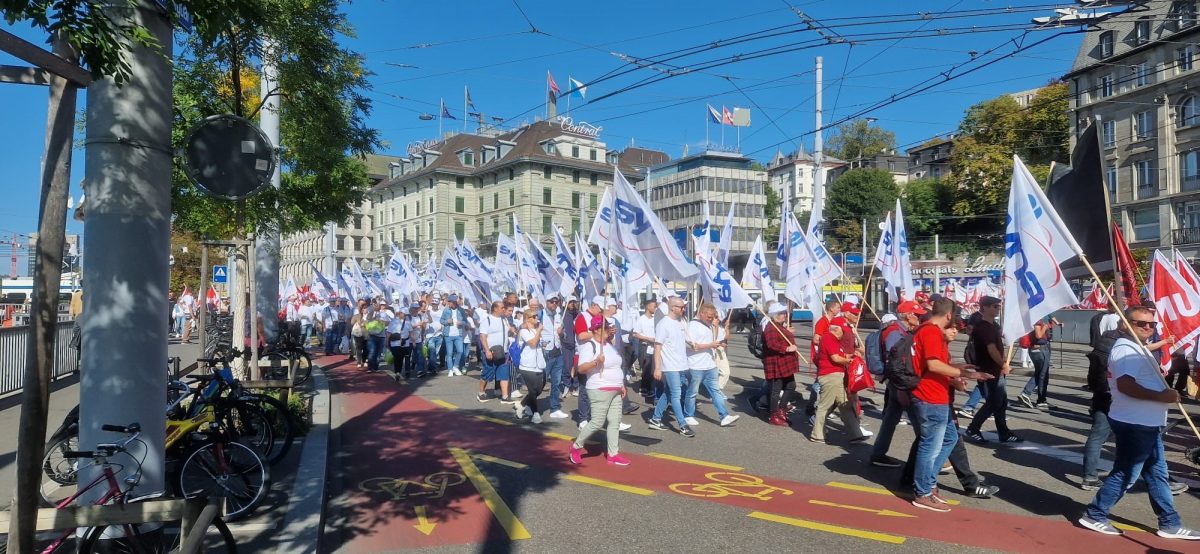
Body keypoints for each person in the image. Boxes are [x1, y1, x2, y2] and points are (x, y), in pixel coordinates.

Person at [1078, 307, 1200, 540]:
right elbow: (1125, 385)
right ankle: (1095, 513)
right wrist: (1161, 397)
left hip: (1144, 422)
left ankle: (1170, 522)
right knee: (1126, 473)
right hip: (1136, 423)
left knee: (1157, 473)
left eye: (1151, 324)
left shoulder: (1134, 347)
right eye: (1140, 323)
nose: (1147, 328)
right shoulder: (1125, 349)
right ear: (1124, 323)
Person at [907, 297, 993, 512]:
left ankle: (928, 483)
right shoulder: (931, 332)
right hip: (930, 397)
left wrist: (959, 368)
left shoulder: (926, 330)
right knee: (930, 446)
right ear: (948, 315)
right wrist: (966, 374)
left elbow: (936, 363)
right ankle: (923, 492)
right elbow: (933, 364)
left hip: (936, 397)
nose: (954, 323)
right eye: (954, 317)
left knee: (949, 438)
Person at [568, 320, 632, 466]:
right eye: (606, 327)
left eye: (609, 327)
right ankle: (575, 447)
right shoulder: (589, 345)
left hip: (615, 389)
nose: (610, 329)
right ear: (597, 329)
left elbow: (616, 366)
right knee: (597, 422)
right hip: (599, 388)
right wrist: (596, 362)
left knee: (614, 422)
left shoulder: (609, 345)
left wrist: (621, 385)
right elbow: (581, 369)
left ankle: (613, 453)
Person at [870, 301, 925, 467]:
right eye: (918, 314)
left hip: (896, 382)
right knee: (918, 419)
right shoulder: (895, 332)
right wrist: (900, 385)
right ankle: (928, 455)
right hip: (900, 383)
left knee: (891, 419)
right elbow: (894, 360)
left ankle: (878, 454)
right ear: (908, 315)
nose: (920, 317)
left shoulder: (899, 330)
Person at [965, 296, 1022, 443]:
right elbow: (991, 349)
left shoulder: (993, 326)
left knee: (1001, 402)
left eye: (998, 306)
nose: (998, 309)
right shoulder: (984, 327)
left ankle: (1004, 433)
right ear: (984, 307)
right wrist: (1003, 364)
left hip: (995, 370)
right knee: (993, 402)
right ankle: (973, 428)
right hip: (988, 370)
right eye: (995, 306)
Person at [683, 304, 740, 427]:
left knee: (716, 391)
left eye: (713, 317)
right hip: (695, 365)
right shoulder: (692, 326)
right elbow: (691, 346)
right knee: (692, 392)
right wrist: (710, 345)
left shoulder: (709, 326)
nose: (711, 319)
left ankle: (724, 416)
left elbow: (718, 339)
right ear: (701, 313)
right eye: (709, 316)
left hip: (710, 365)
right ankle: (688, 415)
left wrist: (720, 343)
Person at [810, 320, 866, 444]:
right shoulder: (828, 338)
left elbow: (841, 355)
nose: (844, 334)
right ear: (836, 329)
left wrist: (853, 355)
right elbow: (835, 358)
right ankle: (817, 434)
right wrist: (850, 361)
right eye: (843, 331)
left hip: (837, 376)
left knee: (845, 404)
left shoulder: (834, 341)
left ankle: (855, 434)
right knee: (825, 405)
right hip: (830, 375)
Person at [648, 296, 694, 437]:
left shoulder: (680, 322)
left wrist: (692, 344)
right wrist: (657, 368)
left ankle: (656, 419)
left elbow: (682, 341)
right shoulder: (664, 324)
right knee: (676, 394)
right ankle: (682, 425)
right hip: (670, 366)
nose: (683, 309)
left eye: (684, 307)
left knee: (668, 393)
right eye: (681, 307)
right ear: (672, 307)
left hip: (681, 364)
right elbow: (657, 347)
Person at [761, 303, 801, 427]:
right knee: (775, 390)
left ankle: (782, 409)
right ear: (775, 315)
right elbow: (771, 344)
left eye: (784, 313)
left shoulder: (779, 326)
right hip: (776, 363)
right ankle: (773, 415)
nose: (785, 315)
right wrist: (787, 349)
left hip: (785, 363)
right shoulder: (771, 327)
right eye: (782, 313)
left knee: (791, 385)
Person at [573, 296, 606, 428]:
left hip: (598, 356)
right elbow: (581, 335)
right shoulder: (582, 317)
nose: (601, 312)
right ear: (594, 305)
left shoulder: (600, 317)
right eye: (600, 309)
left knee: (597, 388)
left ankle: (596, 416)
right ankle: (583, 419)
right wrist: (597, 333)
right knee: (585, 389)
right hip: (584, 356)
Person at [806, 300, 841, 422]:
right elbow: (816, 339)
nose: (839, 309)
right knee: (820, 382)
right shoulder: (822, 321)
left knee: (821, 381)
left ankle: (816, 407)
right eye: (837, 307)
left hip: (828, 354)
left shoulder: (832, 321)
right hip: (822, 355)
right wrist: (829, 340)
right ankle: (812, 407)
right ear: (831, 309)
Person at [477, 301, 513, 403]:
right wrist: (487, 350)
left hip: (504, 352)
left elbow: (508, 331)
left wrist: (512, 330)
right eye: (502, 308)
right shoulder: (487, 320)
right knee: (487, 374)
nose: (504, 309)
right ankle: (481, 393)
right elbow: (482, 336)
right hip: (491, 352)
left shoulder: (504, 320)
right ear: (495, 309)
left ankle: (505, 396)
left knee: (504, 374)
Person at [1018, 317, 1057, 409]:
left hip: (1041, 349)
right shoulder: (1036, 319)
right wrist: (1045, 327)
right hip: (1040, 349)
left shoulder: (1037, 318)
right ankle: (1026, 393)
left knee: (1042, 374)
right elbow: (1038, 335)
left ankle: (1041, 399)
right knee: (1041, 374)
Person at [632, 298, 658, 401]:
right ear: (648, 307)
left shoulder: (654, 319)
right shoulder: (641, 319)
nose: (655, 308)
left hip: (654, 346)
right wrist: (648, 338)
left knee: (653, 368)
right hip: (645, 346)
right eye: (654, 306)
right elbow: (635, 334)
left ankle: (651, 388)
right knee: (646, 368)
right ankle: (644, 388)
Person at [441, 295, 468, 376]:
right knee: (449, 353)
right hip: (448, 335)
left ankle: (455, 367)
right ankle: (450, 369)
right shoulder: (446, 310)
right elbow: (441, 320)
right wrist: (447, 321)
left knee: (460, 351)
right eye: (448, 301)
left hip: (458, 334)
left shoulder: (461, 310)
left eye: (449, 301)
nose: (448, 303)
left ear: (454, 302)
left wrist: (461, 323)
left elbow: (465, 321)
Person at [365, 299, 393, 372]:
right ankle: (370, 367)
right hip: (372, 335)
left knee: (378, 352)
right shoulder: (372, 312)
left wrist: (382, 322)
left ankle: (375, 366)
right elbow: (368, 318)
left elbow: (389, 322)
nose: (381, 306)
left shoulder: (385, 313)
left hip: (381, 335)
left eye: (383, 305)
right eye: (380, 305)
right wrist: (373, 312)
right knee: (372, 351)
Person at [349, 300, 368, 368]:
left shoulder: (369, 316)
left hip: (367, 334)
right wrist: (358, 321)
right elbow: (352, 322)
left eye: (366, 308)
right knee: (358, 348)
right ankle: (359, 362)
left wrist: (365, 323)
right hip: (358, 334)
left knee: (366, 348)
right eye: (364, 308)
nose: (366, 310)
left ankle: (365, 360)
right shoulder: (357, 315)